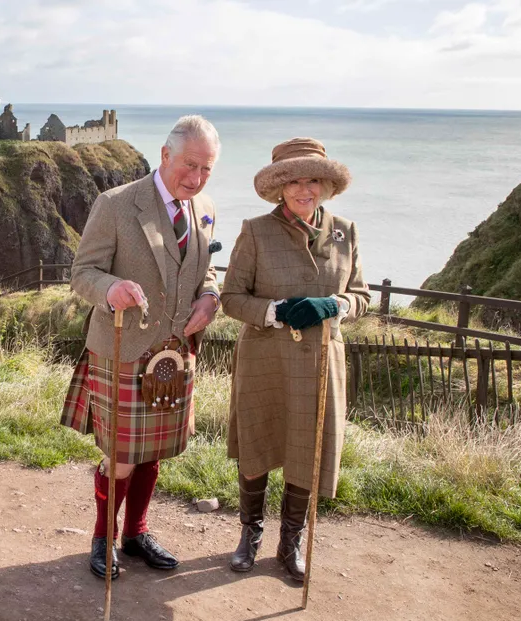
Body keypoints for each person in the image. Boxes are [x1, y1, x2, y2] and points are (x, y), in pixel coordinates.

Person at [60, 115, 222, 579]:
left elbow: (205, 270)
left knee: (153, 452)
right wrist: (110, 290)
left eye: (207, 170)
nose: (196, 178)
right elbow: (82, 274)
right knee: (123, 455)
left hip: (175, 354)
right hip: (123, 348)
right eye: (189, 165)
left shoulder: (205, 206)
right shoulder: (116, 204)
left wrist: (210, 298)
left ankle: (136, 533)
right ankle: (103, 538)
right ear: (165, 155)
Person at [220, 137, 370, 581]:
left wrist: (336, 306)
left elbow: (361, 297)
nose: (305, 190)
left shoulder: (346, 230)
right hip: (265, 357)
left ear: (325, 185)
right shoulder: (255, 231)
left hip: (321, 361)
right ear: (280, 187)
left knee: (308, 448)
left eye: (313, 181)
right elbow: (231, 298)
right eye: (294, 181)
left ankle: (291, 542)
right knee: (258, 444)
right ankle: (250, 534)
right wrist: (275, 311)